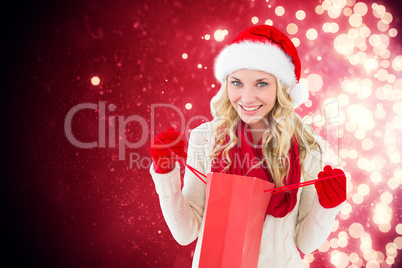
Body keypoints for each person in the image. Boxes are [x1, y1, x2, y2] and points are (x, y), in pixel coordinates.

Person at [149, 25, 346, 268]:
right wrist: (165, 172)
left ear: (282, 88)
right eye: (237, 83)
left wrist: (327, 208)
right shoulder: (206, 139)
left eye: (261, 84)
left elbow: (305, 242)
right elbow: (186, 232)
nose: (247, 97)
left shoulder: (309, 147)